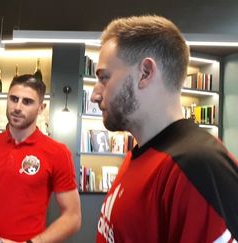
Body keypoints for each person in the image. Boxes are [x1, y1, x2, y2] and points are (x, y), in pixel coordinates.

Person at [92, 15, 238, 242]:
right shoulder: (138, 156)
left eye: (104, 77)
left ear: (145, 73)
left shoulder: (199, 166)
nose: (95, 94)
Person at [0, 74, 81, 243]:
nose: (17, 107)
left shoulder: (57, 153)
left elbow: (72, 217)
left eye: (27, 102)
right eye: (13, 99)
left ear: (41, 108)